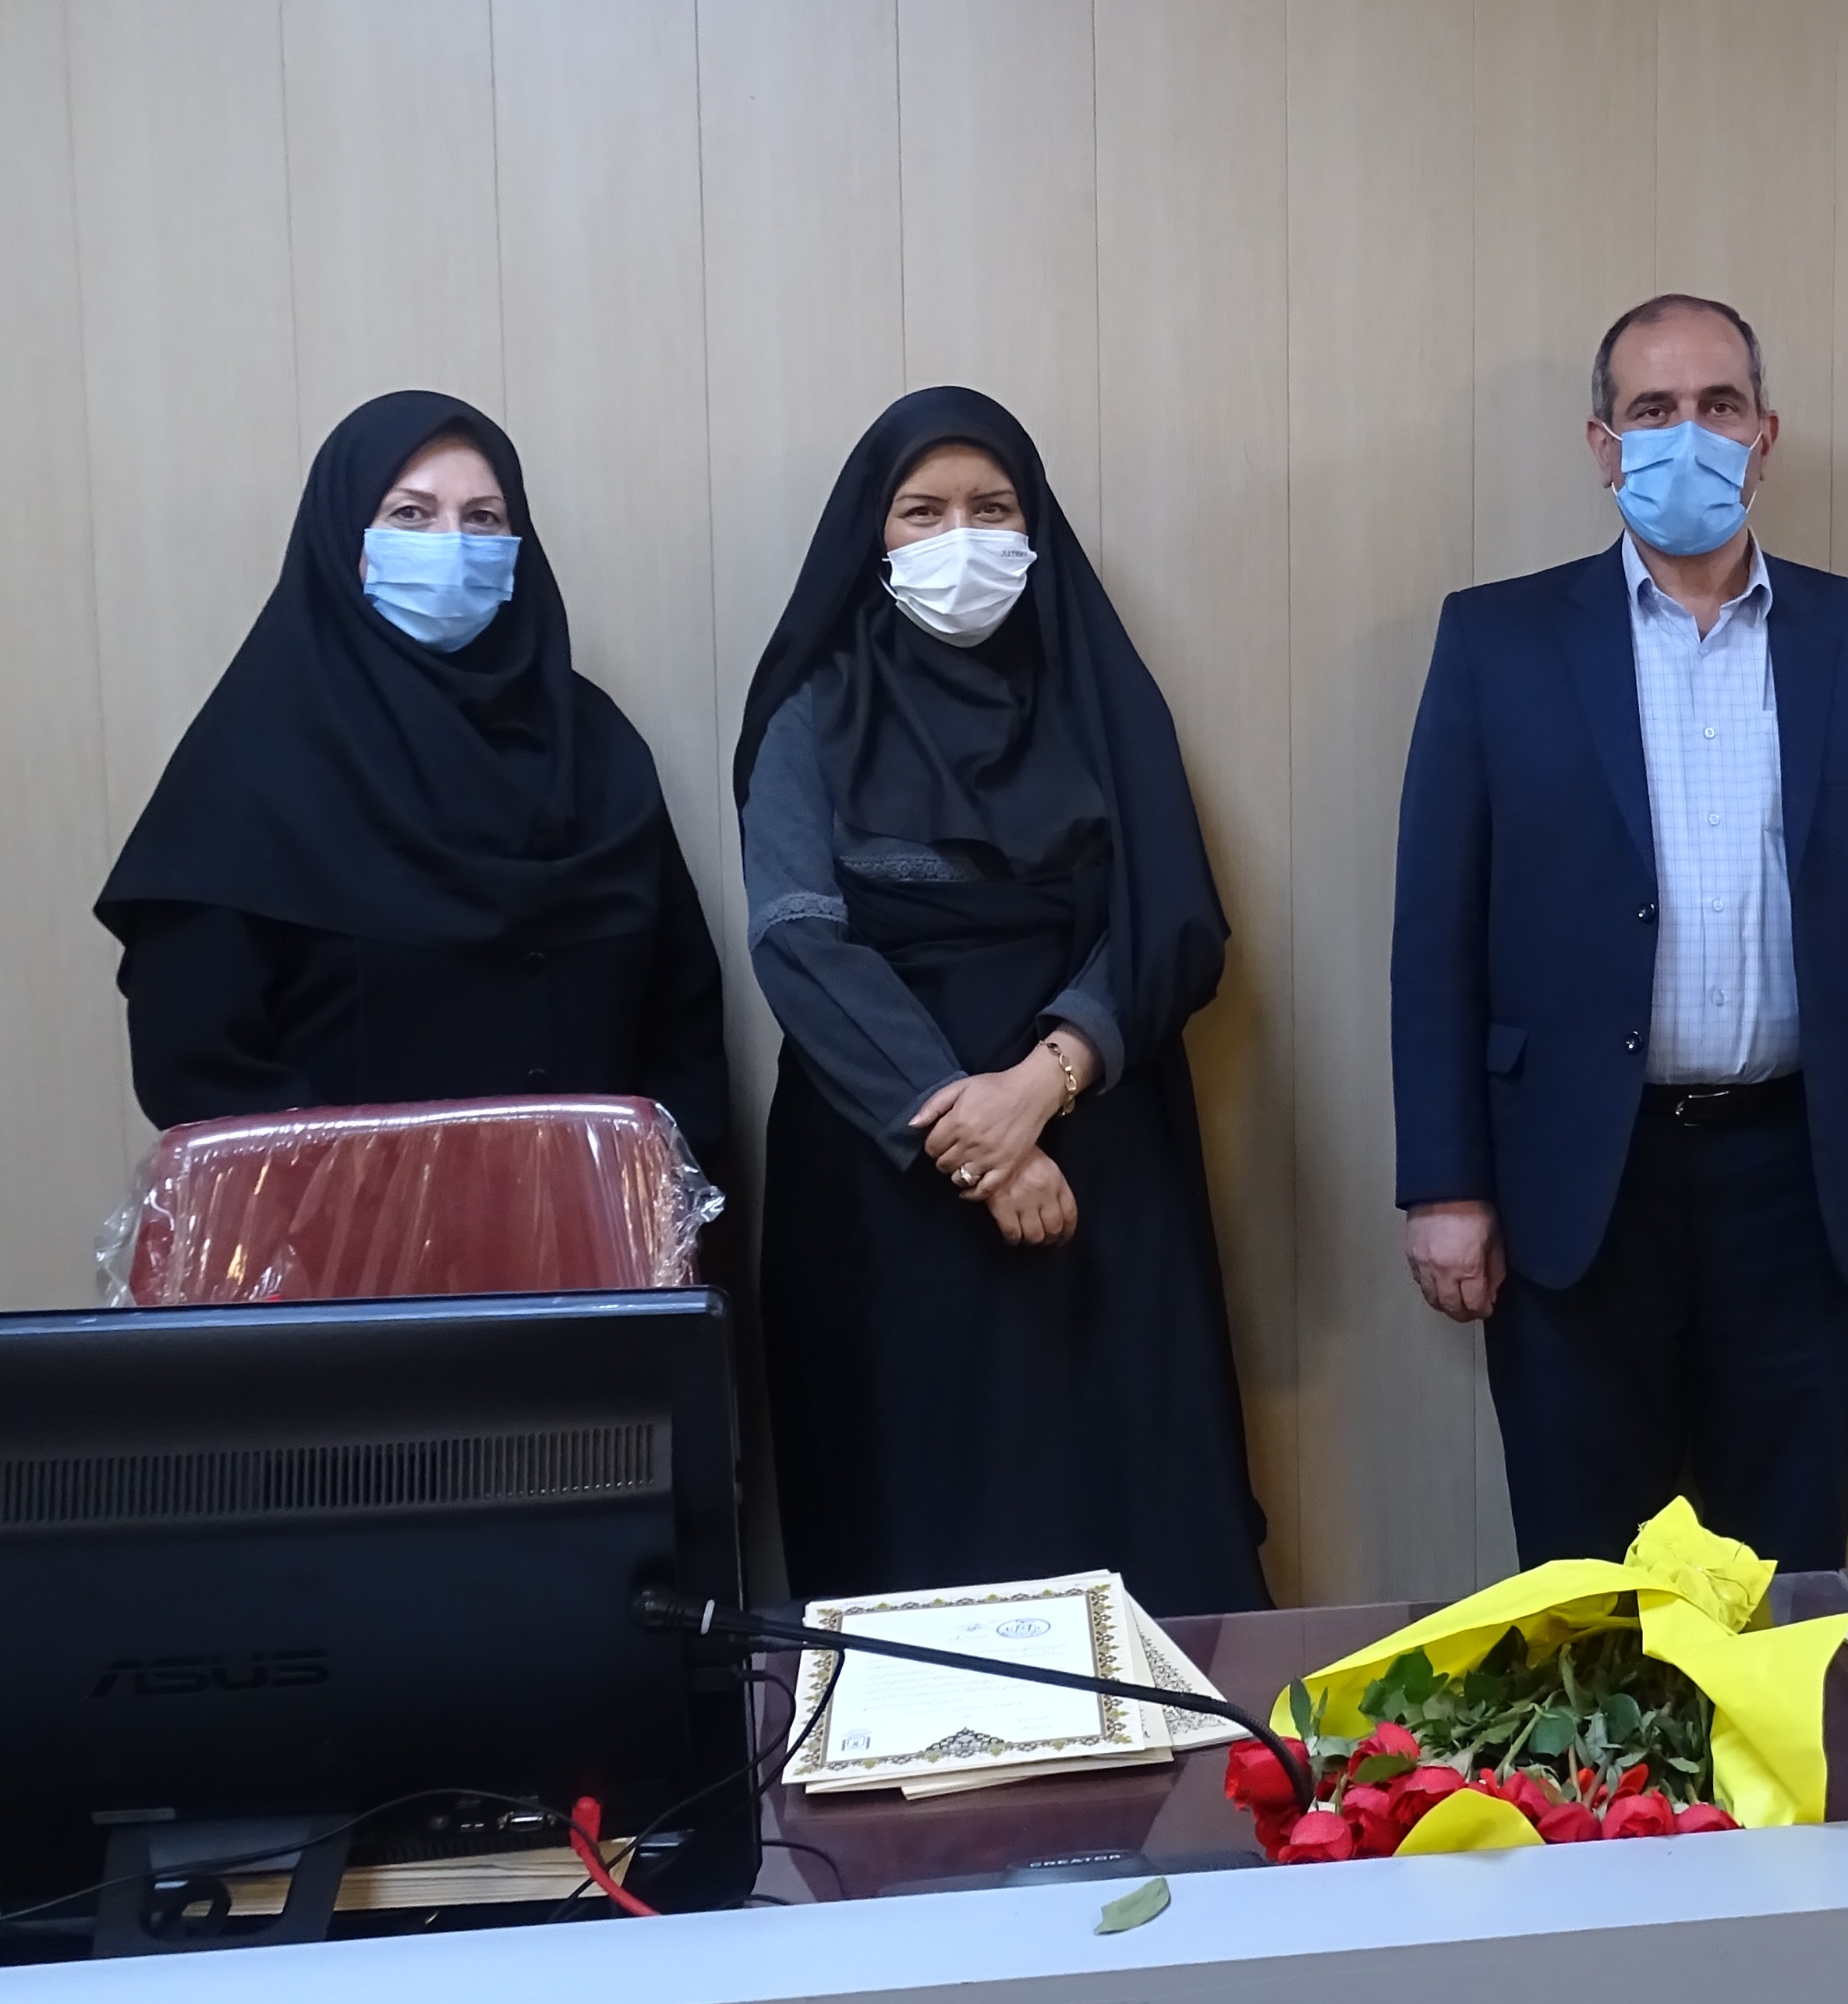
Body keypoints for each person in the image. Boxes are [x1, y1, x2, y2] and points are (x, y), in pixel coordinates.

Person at [1391, 295, 1848, 1573]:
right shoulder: (1495, 641)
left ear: (1764, 434)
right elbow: (1434, 936)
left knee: (1785, 1564)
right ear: (1601, 444)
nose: (1687, 434)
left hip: (1802, 1175)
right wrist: (1445, 1185)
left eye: (1717, 405)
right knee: (1583, 1574)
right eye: (1651, 409)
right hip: (1577, 1183)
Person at [735, 385, 1269, 1616]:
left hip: (1099, 1164)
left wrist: (1043, 1082)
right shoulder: (812, 706)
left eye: (991, 508)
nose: (959, 538)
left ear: (1036, 527)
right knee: (918, 1527)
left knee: (1129, 1514)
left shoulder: (1097, 698)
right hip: (886, 1180)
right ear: (871, 536)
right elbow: (798, 938)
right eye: (921, 512)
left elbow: (1171, 916)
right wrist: (968, 1132)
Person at [97, 391, 729, 1171]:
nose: (452, 545)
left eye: (484, 518)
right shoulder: (250, 759)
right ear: (342, 538)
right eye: (409, 515)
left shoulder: (594, 744)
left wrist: (661, 1189)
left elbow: (680, 1011)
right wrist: (367, 1208)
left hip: (593, 1222)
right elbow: (195, 1054)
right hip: (339, 1232)